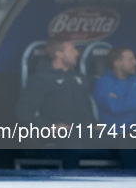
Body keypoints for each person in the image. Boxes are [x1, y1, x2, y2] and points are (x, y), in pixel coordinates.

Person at [16, 39, 96, 168]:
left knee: (123, 138)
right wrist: (49, 126)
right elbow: (23, 112)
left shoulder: (79, 78)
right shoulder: (41, 79)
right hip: (55, 132)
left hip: (83, 129)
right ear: (59, 54)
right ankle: (73, 184)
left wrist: (95, 124)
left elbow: (85, 107)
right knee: (73, 140)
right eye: (72, 50)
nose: (77, 53)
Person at [93, 47, 136, 168]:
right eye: (131, 59)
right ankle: (134, 181)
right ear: (118, 63)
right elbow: (114, 107)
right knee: (126, 138)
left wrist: (124, 104)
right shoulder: (103, 83)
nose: (135, 63)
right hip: (117, 133)